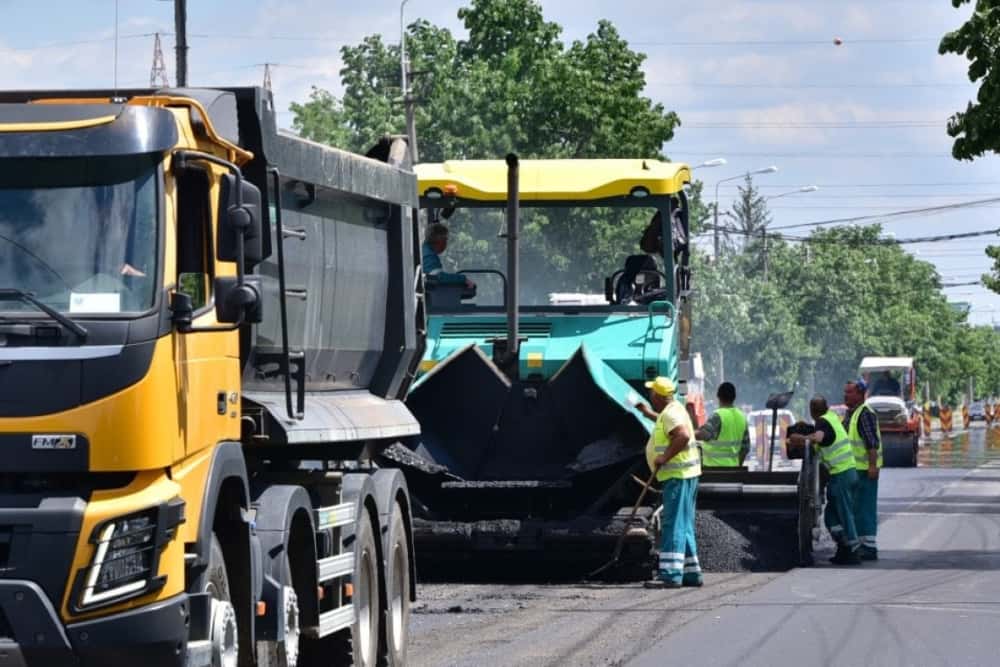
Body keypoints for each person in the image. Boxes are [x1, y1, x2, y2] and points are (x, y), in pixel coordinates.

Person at [635, 377, 703, 588]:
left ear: (658, 396)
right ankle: (691, 573)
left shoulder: (672, 413)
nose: (650, 396)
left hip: (678, 476)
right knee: (684, 524)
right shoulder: (675, 409)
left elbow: (681, 436)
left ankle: (670, 574)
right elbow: (669, 427)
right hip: (686, 475)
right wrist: (648, 414)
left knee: (673, 524)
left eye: (652, 393)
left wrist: (664, 457)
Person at [788, 396, 862, 565]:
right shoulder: (832, 419)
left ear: (812, 411)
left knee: (845, 514)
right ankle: (843, 546)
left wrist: (800, 439)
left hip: (842, 474)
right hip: (843, 474)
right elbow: (824, 442)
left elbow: (819, 438)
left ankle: (853, 550)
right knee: (830, 517)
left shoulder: (822, 422)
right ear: (827, 406)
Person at [845, 379, 882, 561]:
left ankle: (869, 546)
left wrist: (873, 466)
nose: (846, 395)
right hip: (855, 469)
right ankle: (861, 544)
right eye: (845, 392)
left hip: (865, 470)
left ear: (860, 394)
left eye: (850, 392)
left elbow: (872, 443)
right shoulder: (852, 414)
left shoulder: (865, 414)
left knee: (865, 507)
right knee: (857, 508)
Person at [695, 382, 750, 467]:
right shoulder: (742, 417)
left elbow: (703, 435)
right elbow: (745, 448)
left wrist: (690, 432)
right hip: (733, 471)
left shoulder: (718, 416)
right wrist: (737, 466)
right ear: (734, 397)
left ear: (718, 396)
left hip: (714, 471)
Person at [422, 223, 474, 289]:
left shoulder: (426, 251)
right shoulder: (429, 256)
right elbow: (438, 278)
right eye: (445, 239)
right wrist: (463, 279)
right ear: (439, 239)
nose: (446, 243)